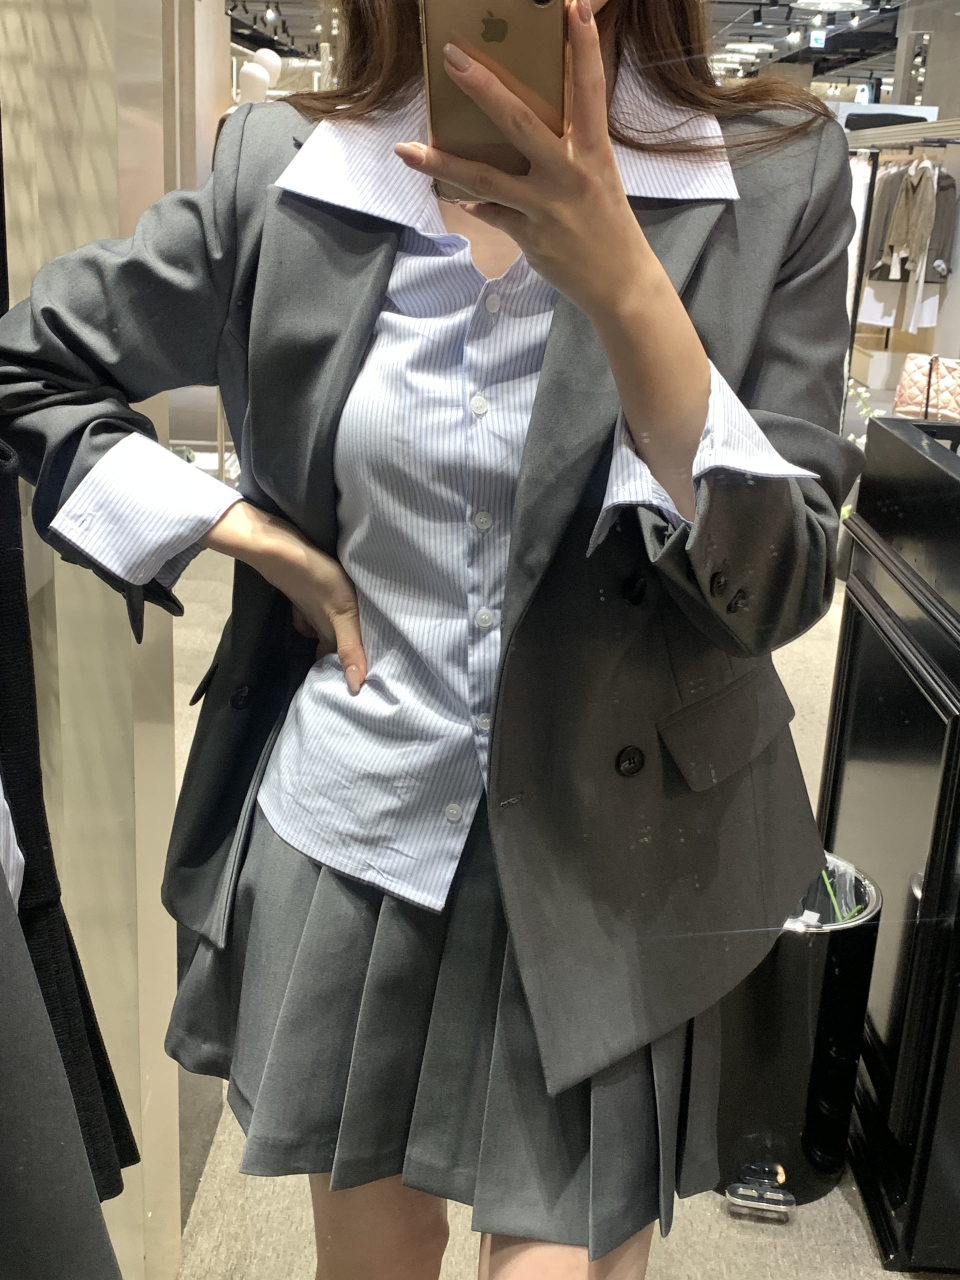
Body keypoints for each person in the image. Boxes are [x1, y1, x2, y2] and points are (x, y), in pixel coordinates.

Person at [0, 0, 864, 1273]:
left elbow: (781, 583)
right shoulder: (291, 167)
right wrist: (240, 531)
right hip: (356, 830)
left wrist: (625, 283)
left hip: (617, 860)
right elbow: (28, 368)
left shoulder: (774, 178)